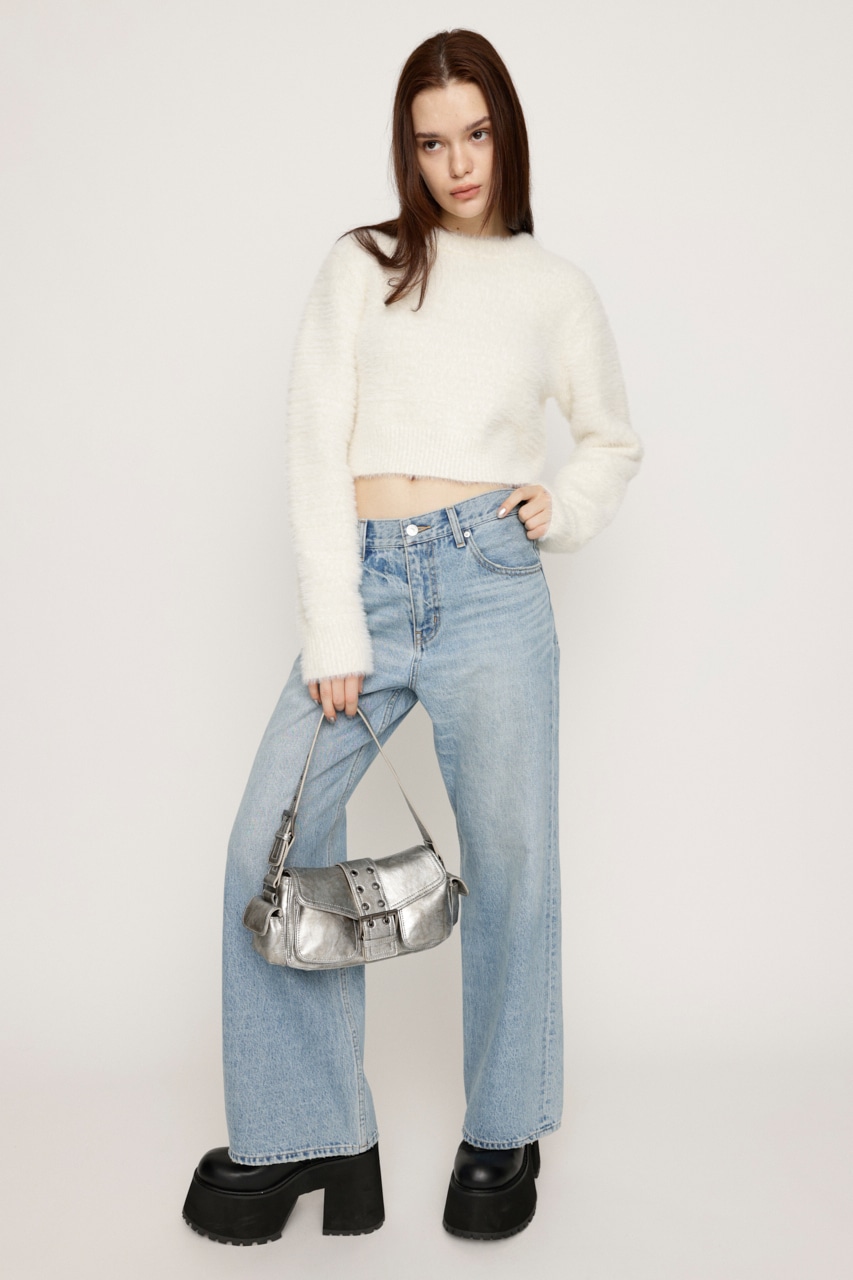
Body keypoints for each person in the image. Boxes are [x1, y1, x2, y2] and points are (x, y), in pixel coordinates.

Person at [182, 27, 643, 1245]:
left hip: (492, 581)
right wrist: (333, 618)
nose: (458, 163)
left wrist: (562, 506)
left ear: (506, 132)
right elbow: (312, 442)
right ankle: (313, 1130)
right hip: (369, 587)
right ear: (408, 150)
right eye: (432, 142)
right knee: (266, 841)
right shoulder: (365, 265)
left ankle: (505, 1121)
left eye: (476, 134)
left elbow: (611, 438)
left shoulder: (553, 287)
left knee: (514, 859)